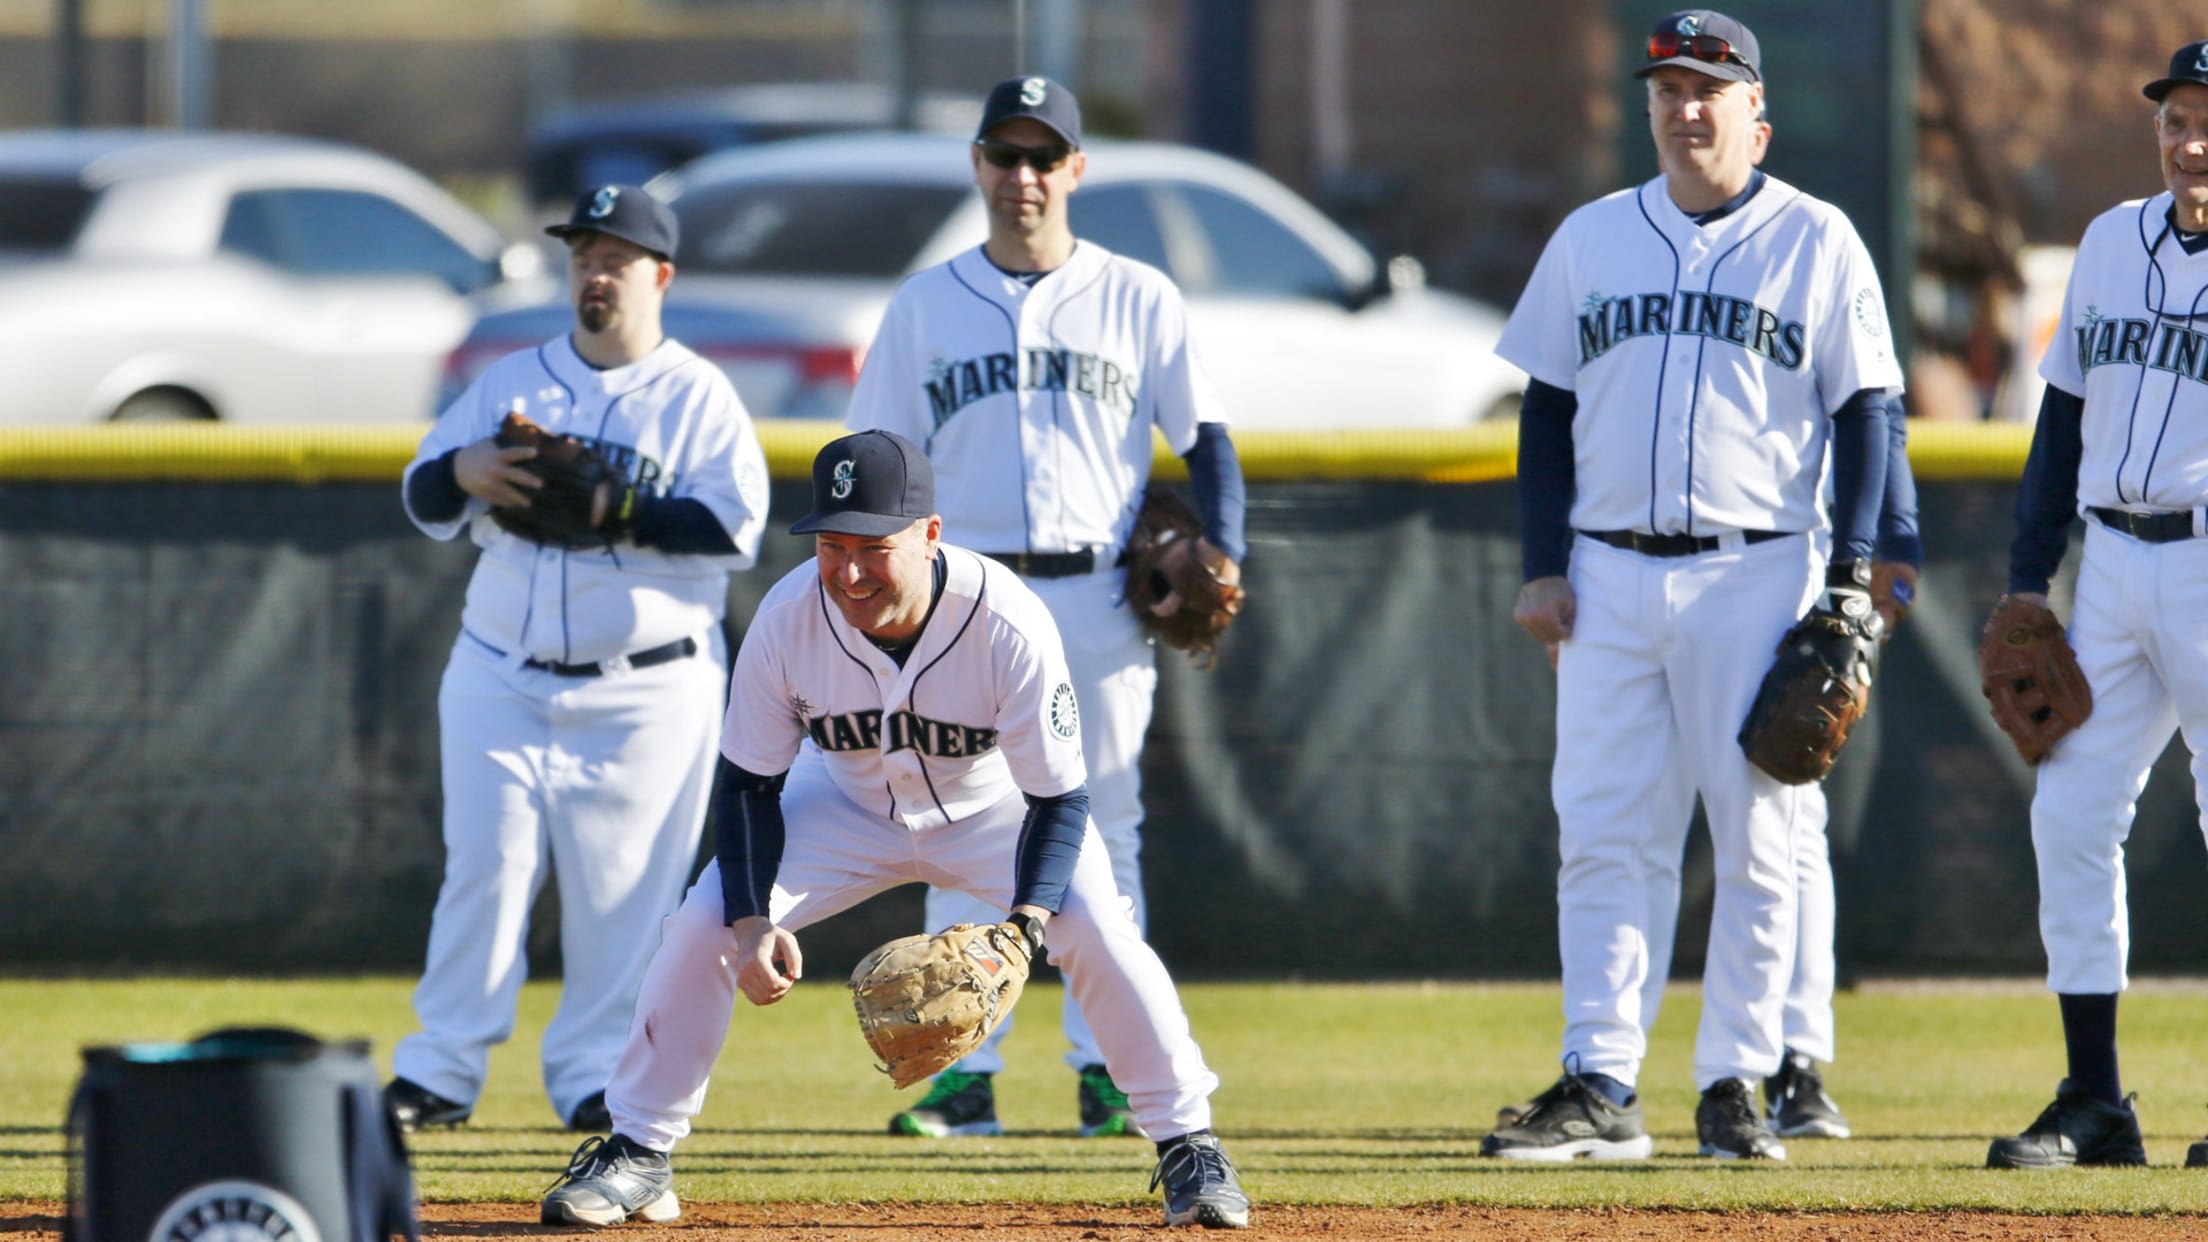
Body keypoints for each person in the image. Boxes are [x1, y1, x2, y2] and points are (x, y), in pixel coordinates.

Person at [536, 430, 1252, 1229]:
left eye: (873, 547)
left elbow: (1058, 801)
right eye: (831, 545)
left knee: (1099, 931)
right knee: (700, 926)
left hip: (995, 808)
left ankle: (1190, 1146)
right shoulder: (787, 620)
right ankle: (637, 1151)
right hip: (841, 805)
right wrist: (748, 924)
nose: (847, 571)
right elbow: (748, 788)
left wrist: (1024, 927)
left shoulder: (1005, 621)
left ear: (930, 535)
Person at [1484, 8, 1901, 1162]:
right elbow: (1546, 411)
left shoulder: (1817, 240)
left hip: (1756, 574)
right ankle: (1601, 1080)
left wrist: (1853, 581)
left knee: (1761, 836)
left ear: (1756, 120)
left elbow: (1869, 414)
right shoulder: (1590, 237)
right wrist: (1542, 566)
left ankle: (1736, 1081)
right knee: (1603, 834)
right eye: (1667, 86)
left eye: (1709, 87)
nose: (1685, 105)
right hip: (1609, 573)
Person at [842, 74, 1247, 1140]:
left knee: (1104, 830)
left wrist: (1228, 546)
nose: (1022, 176)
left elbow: (1207, 437)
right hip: (962, 598)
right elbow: (876, 460)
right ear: (978, 165)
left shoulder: (1138, 294)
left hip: (1096, 593)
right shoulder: (925, 304)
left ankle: (1109, 1070)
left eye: (1042, 156)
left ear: (1076, 169)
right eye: (1004, 155)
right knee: (954, 822)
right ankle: (959, 1073)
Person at [388, 184, 769, 1133]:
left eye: (616, 258)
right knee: (484, 868)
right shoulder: (510, 382)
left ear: (660, 275)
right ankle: (440, 1070)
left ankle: (595, 1079)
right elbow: (423, 494)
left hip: (647, 689)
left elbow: (737, 530)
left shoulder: (697, 396)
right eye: (583, 256)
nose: (596, 274)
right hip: (499, 672)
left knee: (623, 899)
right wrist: (460, 470)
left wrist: (622, 509)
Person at [1498, 417, 1921, 1143]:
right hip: (1625, 572)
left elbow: (1874, 407)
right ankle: (1607, 1076)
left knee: (1778, 832)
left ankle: (1786, 1061)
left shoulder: (1813, 299)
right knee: (1634, 832)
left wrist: (1895, 544)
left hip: (1781, 566)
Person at [1982, 39, 2208, 1171]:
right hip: (2112, 567)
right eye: (2176, 117)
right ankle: (2097, 1101)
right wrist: (2031, 574)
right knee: (2068, 815)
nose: (2192, 140)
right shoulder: (2111, 241)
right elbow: (2059, 422)